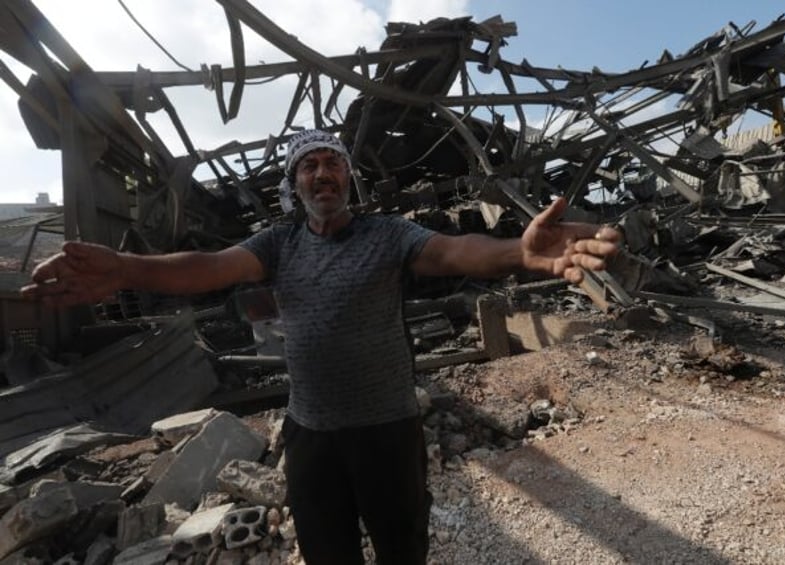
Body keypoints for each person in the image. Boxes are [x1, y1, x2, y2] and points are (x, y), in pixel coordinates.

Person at [21, 129, 620, 565]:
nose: (323, 172)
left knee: (402, 548)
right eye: (310, 165)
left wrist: (518, 251)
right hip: (312, 435)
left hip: (388, 428)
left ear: (348, 178)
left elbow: (454, 251)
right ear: (294, 183)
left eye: (333, 162)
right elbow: (207, 267)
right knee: (327, 552)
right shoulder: (279, 244)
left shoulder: (389, 235)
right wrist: (126, 268)